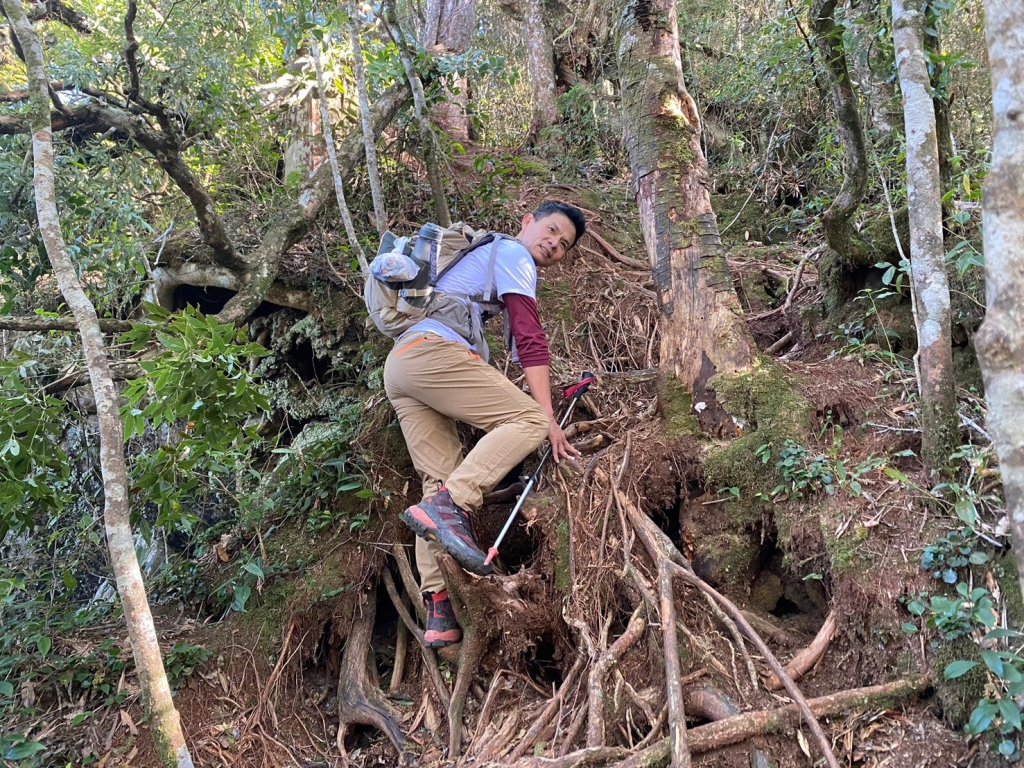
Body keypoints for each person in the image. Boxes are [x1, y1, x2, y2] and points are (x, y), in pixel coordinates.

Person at [384, 201, 587, 648]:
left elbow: (517, 346)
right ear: (527, 221)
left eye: (564, 244)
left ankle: (439, 609)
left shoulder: (487, 259)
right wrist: (549, 420)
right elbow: (530, 337)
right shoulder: (513, 254)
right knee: (529, 419)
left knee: (437, 480)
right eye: (551, 230)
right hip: (431, 354)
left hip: (401, 366)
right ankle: (454, 506)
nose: (554, 244)